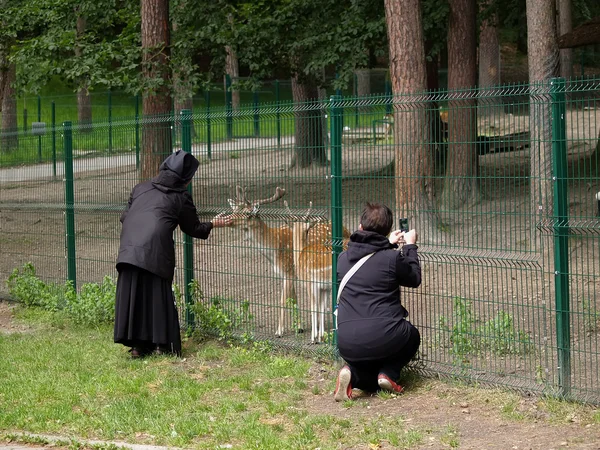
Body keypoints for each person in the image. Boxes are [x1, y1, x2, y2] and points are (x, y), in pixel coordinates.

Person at [114, 150, 232, 358]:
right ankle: (161, 345)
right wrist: (215, 223)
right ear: (185, 178)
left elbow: (125, 217)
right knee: (157, 296)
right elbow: (194, 228)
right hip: (156, 249)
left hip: (129, 248)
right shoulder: (180, 197)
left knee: (135, 294)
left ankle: (138, 347)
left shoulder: (140, 188)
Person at [333, 202, 421, 401]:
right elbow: (414, 278)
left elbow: (371, 261)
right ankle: (389, 373)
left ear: (360, 226)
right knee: (412, 336)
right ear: (388, 230)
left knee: (366, 360)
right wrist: (410, 246)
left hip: (347, 342)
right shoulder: (391, 258)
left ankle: (352, 374)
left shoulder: (343, 258)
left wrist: (386, 244)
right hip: (385, 337)